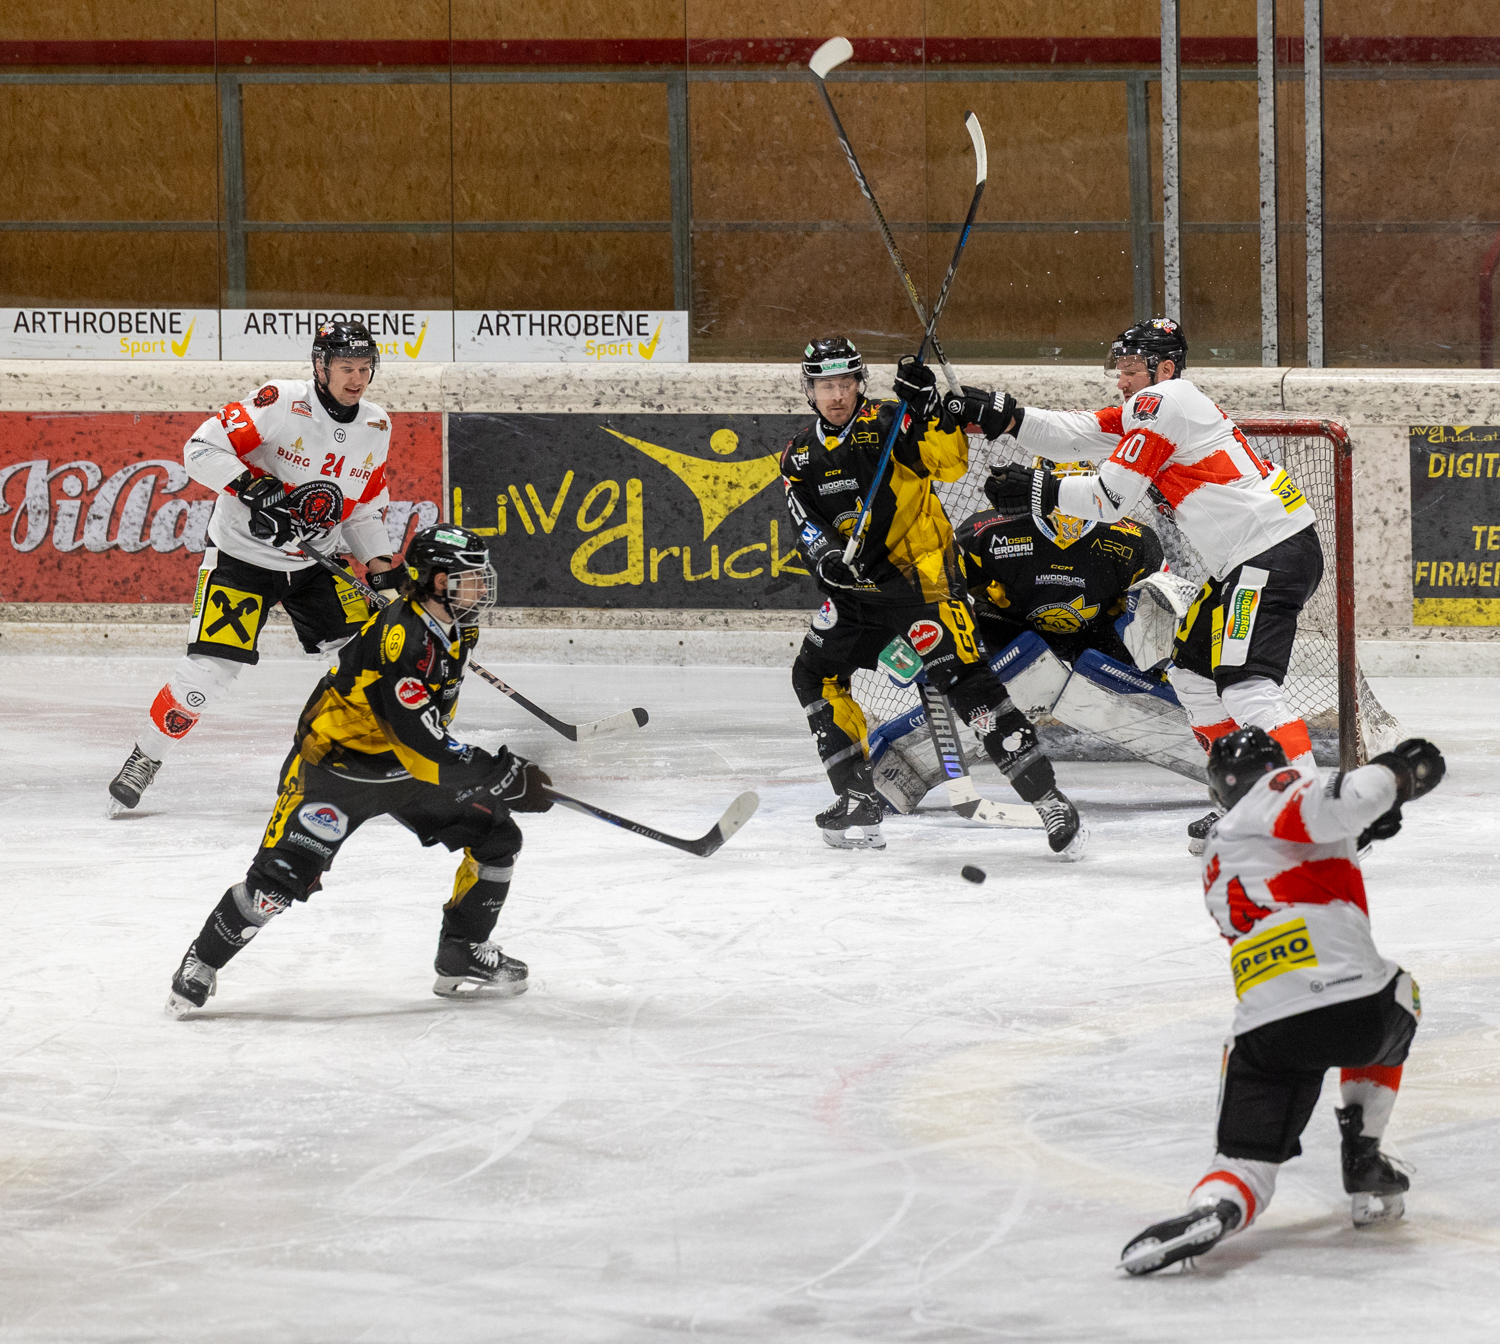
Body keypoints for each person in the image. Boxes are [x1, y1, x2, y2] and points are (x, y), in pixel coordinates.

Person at [165, 526, 553, 1017]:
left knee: (496, 838)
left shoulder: (457, 624)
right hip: (335, 771)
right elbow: (418, 739)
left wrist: (496, 777)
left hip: (406, 771)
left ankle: (461, 954)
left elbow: (424, 734)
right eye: (471, 575)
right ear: (439, 581)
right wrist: (496, 771)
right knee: (278, 882)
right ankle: (202, 960)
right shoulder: (405, 641)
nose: (482, 584)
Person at [981, 319, 1323, 852]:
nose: (1121, 380)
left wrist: (1042, 489)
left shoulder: (1165, 400)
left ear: (1164, 368)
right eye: (1118, 369)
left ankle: (1311, 815)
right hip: (1248, 559)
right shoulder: (1153, 408)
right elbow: (1074, 432)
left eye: (1130, 369)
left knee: (1245, 685)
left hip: (1267, 553)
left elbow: (1110, 499)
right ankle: (1247, 804)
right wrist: (1005, 416)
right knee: (1193, 676)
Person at [1118, 727, 1443, 1276]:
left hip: (1264, 1031)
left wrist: (1357, 830)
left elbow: (1300, 854)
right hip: (1355, 1009)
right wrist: (1400, 772)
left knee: (1244, 1162)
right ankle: (1363, 1156)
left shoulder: (1218, 852)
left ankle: (1215, 1208)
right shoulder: (1279, 790)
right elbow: (1357, 795)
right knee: (1403, 991)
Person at [782, 336, 1083, 856]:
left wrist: (927, 409)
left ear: (859, 383)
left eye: (845, 383)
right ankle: (857, 796)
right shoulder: (799, 453)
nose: (836, 395)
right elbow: (804, 519)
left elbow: (950, 464)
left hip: (922, 586)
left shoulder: (891, 421)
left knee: (970, 687)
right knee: (814, 674)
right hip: (854, 594)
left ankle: (1048, 800)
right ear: (809, 391)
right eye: (825, 386)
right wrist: (826, 554)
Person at [107, 320, 400, 815]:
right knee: (206, 676)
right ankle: (146, 756)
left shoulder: (376, 425)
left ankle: (369, 758)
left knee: (368, 656)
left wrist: (381, 569)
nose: (357, 378)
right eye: (346, 367)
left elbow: (363, 508)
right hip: (241, 561)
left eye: (365, 368)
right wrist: (249, 486)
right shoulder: (281, 401)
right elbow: (200, 448)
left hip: (316, 564)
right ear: (321, 366)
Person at [956, 462, 1165, 668]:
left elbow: (1153, 615)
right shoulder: (985, 531)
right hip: (1014, 632)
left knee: (1151, 631)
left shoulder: (1136, 540)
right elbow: (950, 593)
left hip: (1096, 636)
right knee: (961, 618)